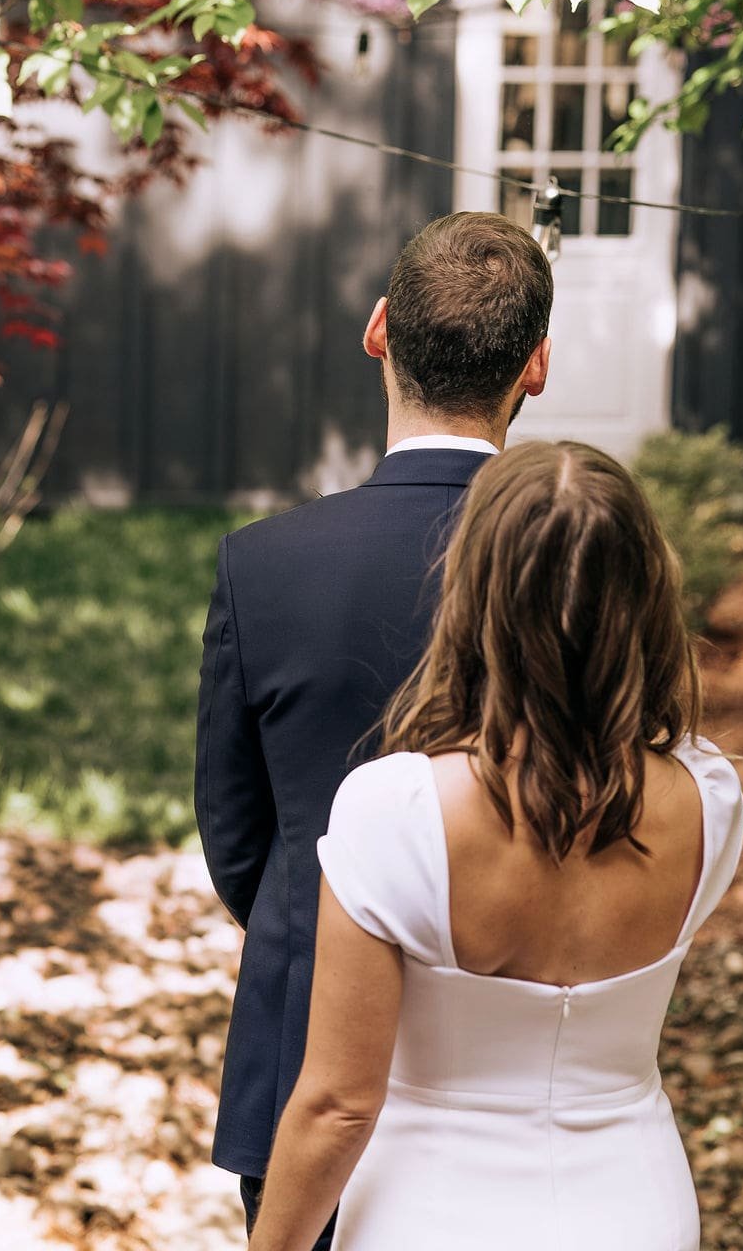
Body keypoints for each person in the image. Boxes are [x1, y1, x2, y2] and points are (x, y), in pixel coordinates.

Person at [246, 440, 743, 1251]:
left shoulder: (397, 809)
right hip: (636, 1210)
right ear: (646, 594)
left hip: (431, 1214)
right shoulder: (709, 795)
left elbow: (338, 1105)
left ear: (475, 592)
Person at [195, 212, 554, 1245]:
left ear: (378, 330)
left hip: (307, 1031)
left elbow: (234, 832)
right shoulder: (578, 572)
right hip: (513, 1041)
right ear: (535, 367)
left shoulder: (263, 563)